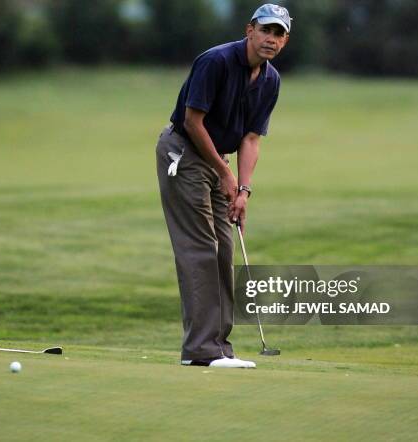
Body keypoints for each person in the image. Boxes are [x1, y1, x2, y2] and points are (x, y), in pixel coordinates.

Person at [156, 4, 291, 368]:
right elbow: (193, 121)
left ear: (285, 40)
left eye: (279, 34)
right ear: (250, 30)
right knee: (200, 246)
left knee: (223, 249)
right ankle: (201, 350)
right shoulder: (215, 62)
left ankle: (219, 347)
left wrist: (243, 190)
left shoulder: (271, 80)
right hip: (183, 153)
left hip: (219, 161)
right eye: (266, 30)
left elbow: (251, 139)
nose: (271, 39)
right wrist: (225, 174)